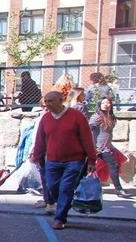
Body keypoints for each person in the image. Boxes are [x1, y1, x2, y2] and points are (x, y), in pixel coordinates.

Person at [30, 91, 97, 230]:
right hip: (52, 160)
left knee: (66, 188)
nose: (47, 104)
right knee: (51, 186)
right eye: (46, 101)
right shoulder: (46, 118)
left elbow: (87, 139)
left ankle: (60, 218)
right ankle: (64, 203)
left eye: (50, 101)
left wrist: (91, 159)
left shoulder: (77, 116)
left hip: (74, 160)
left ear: (61, 100)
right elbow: (40, 139)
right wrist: (36, 155)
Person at [89, 97, 128, 197]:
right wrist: (93, 147)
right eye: (103, 103)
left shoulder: (110, 116)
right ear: (99, 105)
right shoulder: (96, 117)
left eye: (108, 103)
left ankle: (117, 189)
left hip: (108, 146)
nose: (106, 105)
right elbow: (89, 131)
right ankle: (118, 189)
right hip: (99, 148)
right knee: (111, 165)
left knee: (113, 165)